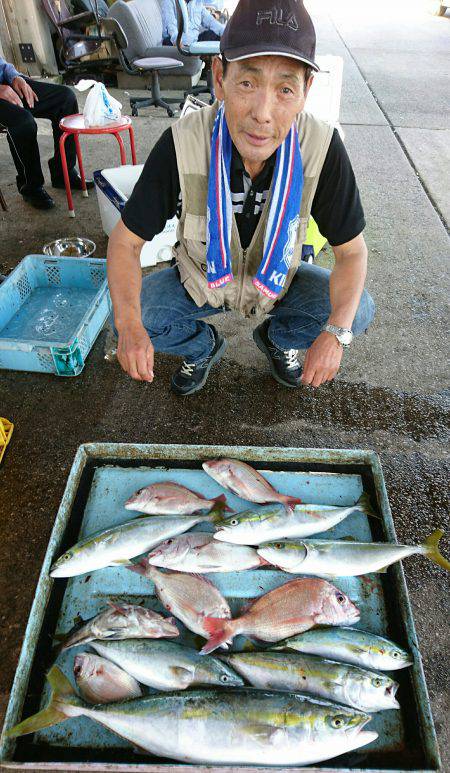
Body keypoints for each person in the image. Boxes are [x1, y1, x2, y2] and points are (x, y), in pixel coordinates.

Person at [107, 0, 375, 395]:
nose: (263, 113)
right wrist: (129, 326)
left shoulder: (321, 146)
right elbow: (125, 242)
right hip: (201, 280)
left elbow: (352, 253)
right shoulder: (182, 142)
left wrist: (336, 333)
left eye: (285, 89)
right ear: (219, 78)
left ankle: (277, 339)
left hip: (277, 284)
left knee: (357, 310)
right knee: (128, 315)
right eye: (247, 83)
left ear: (306, 91)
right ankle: (202, 347)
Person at [0, 57, 93, 210]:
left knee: (65, 98)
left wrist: (15, 77)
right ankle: (31, 186)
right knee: (23, 122)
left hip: (6, 83)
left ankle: (63, 172)